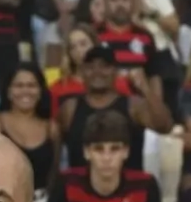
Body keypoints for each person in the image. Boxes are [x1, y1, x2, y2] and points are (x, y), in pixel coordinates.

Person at [59, 43, 170, 171]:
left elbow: (164, 127)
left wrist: (145, 89)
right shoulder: (69, 108)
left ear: (116, 71)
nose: (97, 72)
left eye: (104, 66)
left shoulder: (134, 106)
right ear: (83, 72)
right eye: (90, 67)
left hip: (129, 187)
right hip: (80, 188)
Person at [0, 63, 59, 195]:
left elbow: (54, 172)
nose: (25, 91)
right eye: (19, 86)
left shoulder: (51, 128)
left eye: (31, 85)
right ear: (9, 91)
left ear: (40, 91)